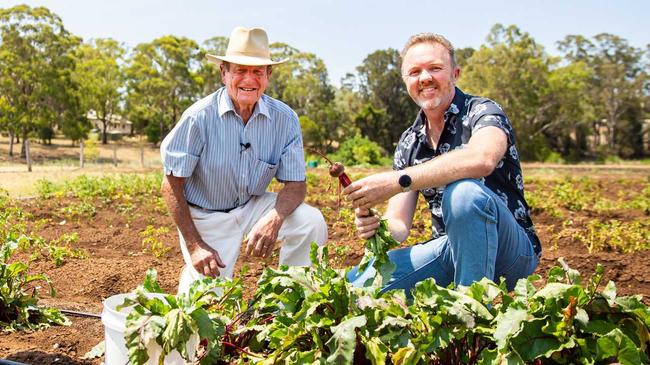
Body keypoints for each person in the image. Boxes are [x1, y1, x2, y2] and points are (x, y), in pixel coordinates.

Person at [343, 33, 541, 293]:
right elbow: (399, 225)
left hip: (511, 253)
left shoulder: (483, 112)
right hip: (452, 250)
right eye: (414, 72)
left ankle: (470, 310)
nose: (424, 78)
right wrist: (378, 226)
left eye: (435, 68)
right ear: (406, 83)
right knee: (358, 284)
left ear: (455, 73)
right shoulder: (409, 141)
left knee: (463, 194)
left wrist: (398, 180)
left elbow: (483, 159)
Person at [160, 26, 328, 293]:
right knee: (203, 312)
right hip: (206, 216)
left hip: (253, 206)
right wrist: (195, 246)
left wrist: (274, 217)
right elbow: (171, 185)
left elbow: (296, 186)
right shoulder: (198, 118)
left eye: (257, 71)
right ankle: (197, 286)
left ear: (268, 75)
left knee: (310, 221)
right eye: (240, 70)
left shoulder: (284, 119)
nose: (248, 79)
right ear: (224, 72)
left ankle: (294, 302)